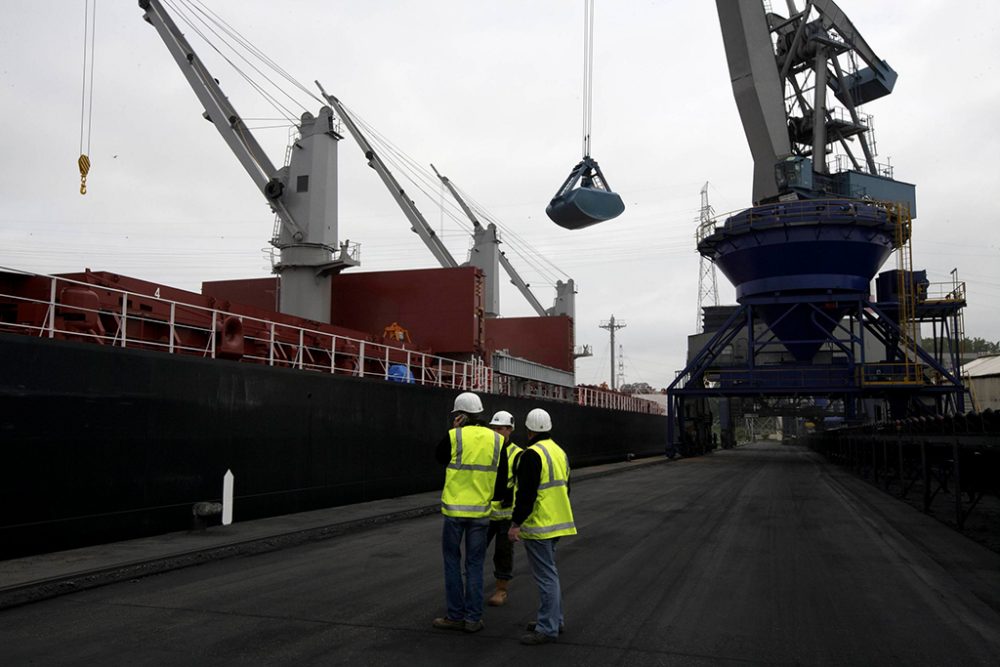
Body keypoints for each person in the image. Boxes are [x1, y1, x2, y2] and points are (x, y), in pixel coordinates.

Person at [432, 391, 507, 634]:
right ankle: (474, 619)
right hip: (481, 513)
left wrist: (451, 430)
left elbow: (440, 457)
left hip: (454, 513)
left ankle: (455, 616)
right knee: (475, 565)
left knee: (452, 562)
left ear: (461, 416)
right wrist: (489, 497)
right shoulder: (497, 440)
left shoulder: (455, 436)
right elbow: (502, 478)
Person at [508, 407, 576, 646]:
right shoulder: (559, 452)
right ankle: (554, 620)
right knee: (551, 573)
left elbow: (526, 494)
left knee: (546, 577)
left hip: (540, 524)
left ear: (528, 431)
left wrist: (516, 524)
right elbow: (566, 487)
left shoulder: (531, 455)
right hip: (558, 521)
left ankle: (547, 628)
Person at [484, 410, 522, 607]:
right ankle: (472, 587)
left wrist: (518, 520)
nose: (496, 432)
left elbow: (523, 486)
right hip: (485, 512)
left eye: (500, 428)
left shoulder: (518, 454)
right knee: (476, 551)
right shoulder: (486, 449)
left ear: (510, 430)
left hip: (507, 514)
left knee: (503, 553)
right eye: (494, 428)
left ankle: (501, 590)